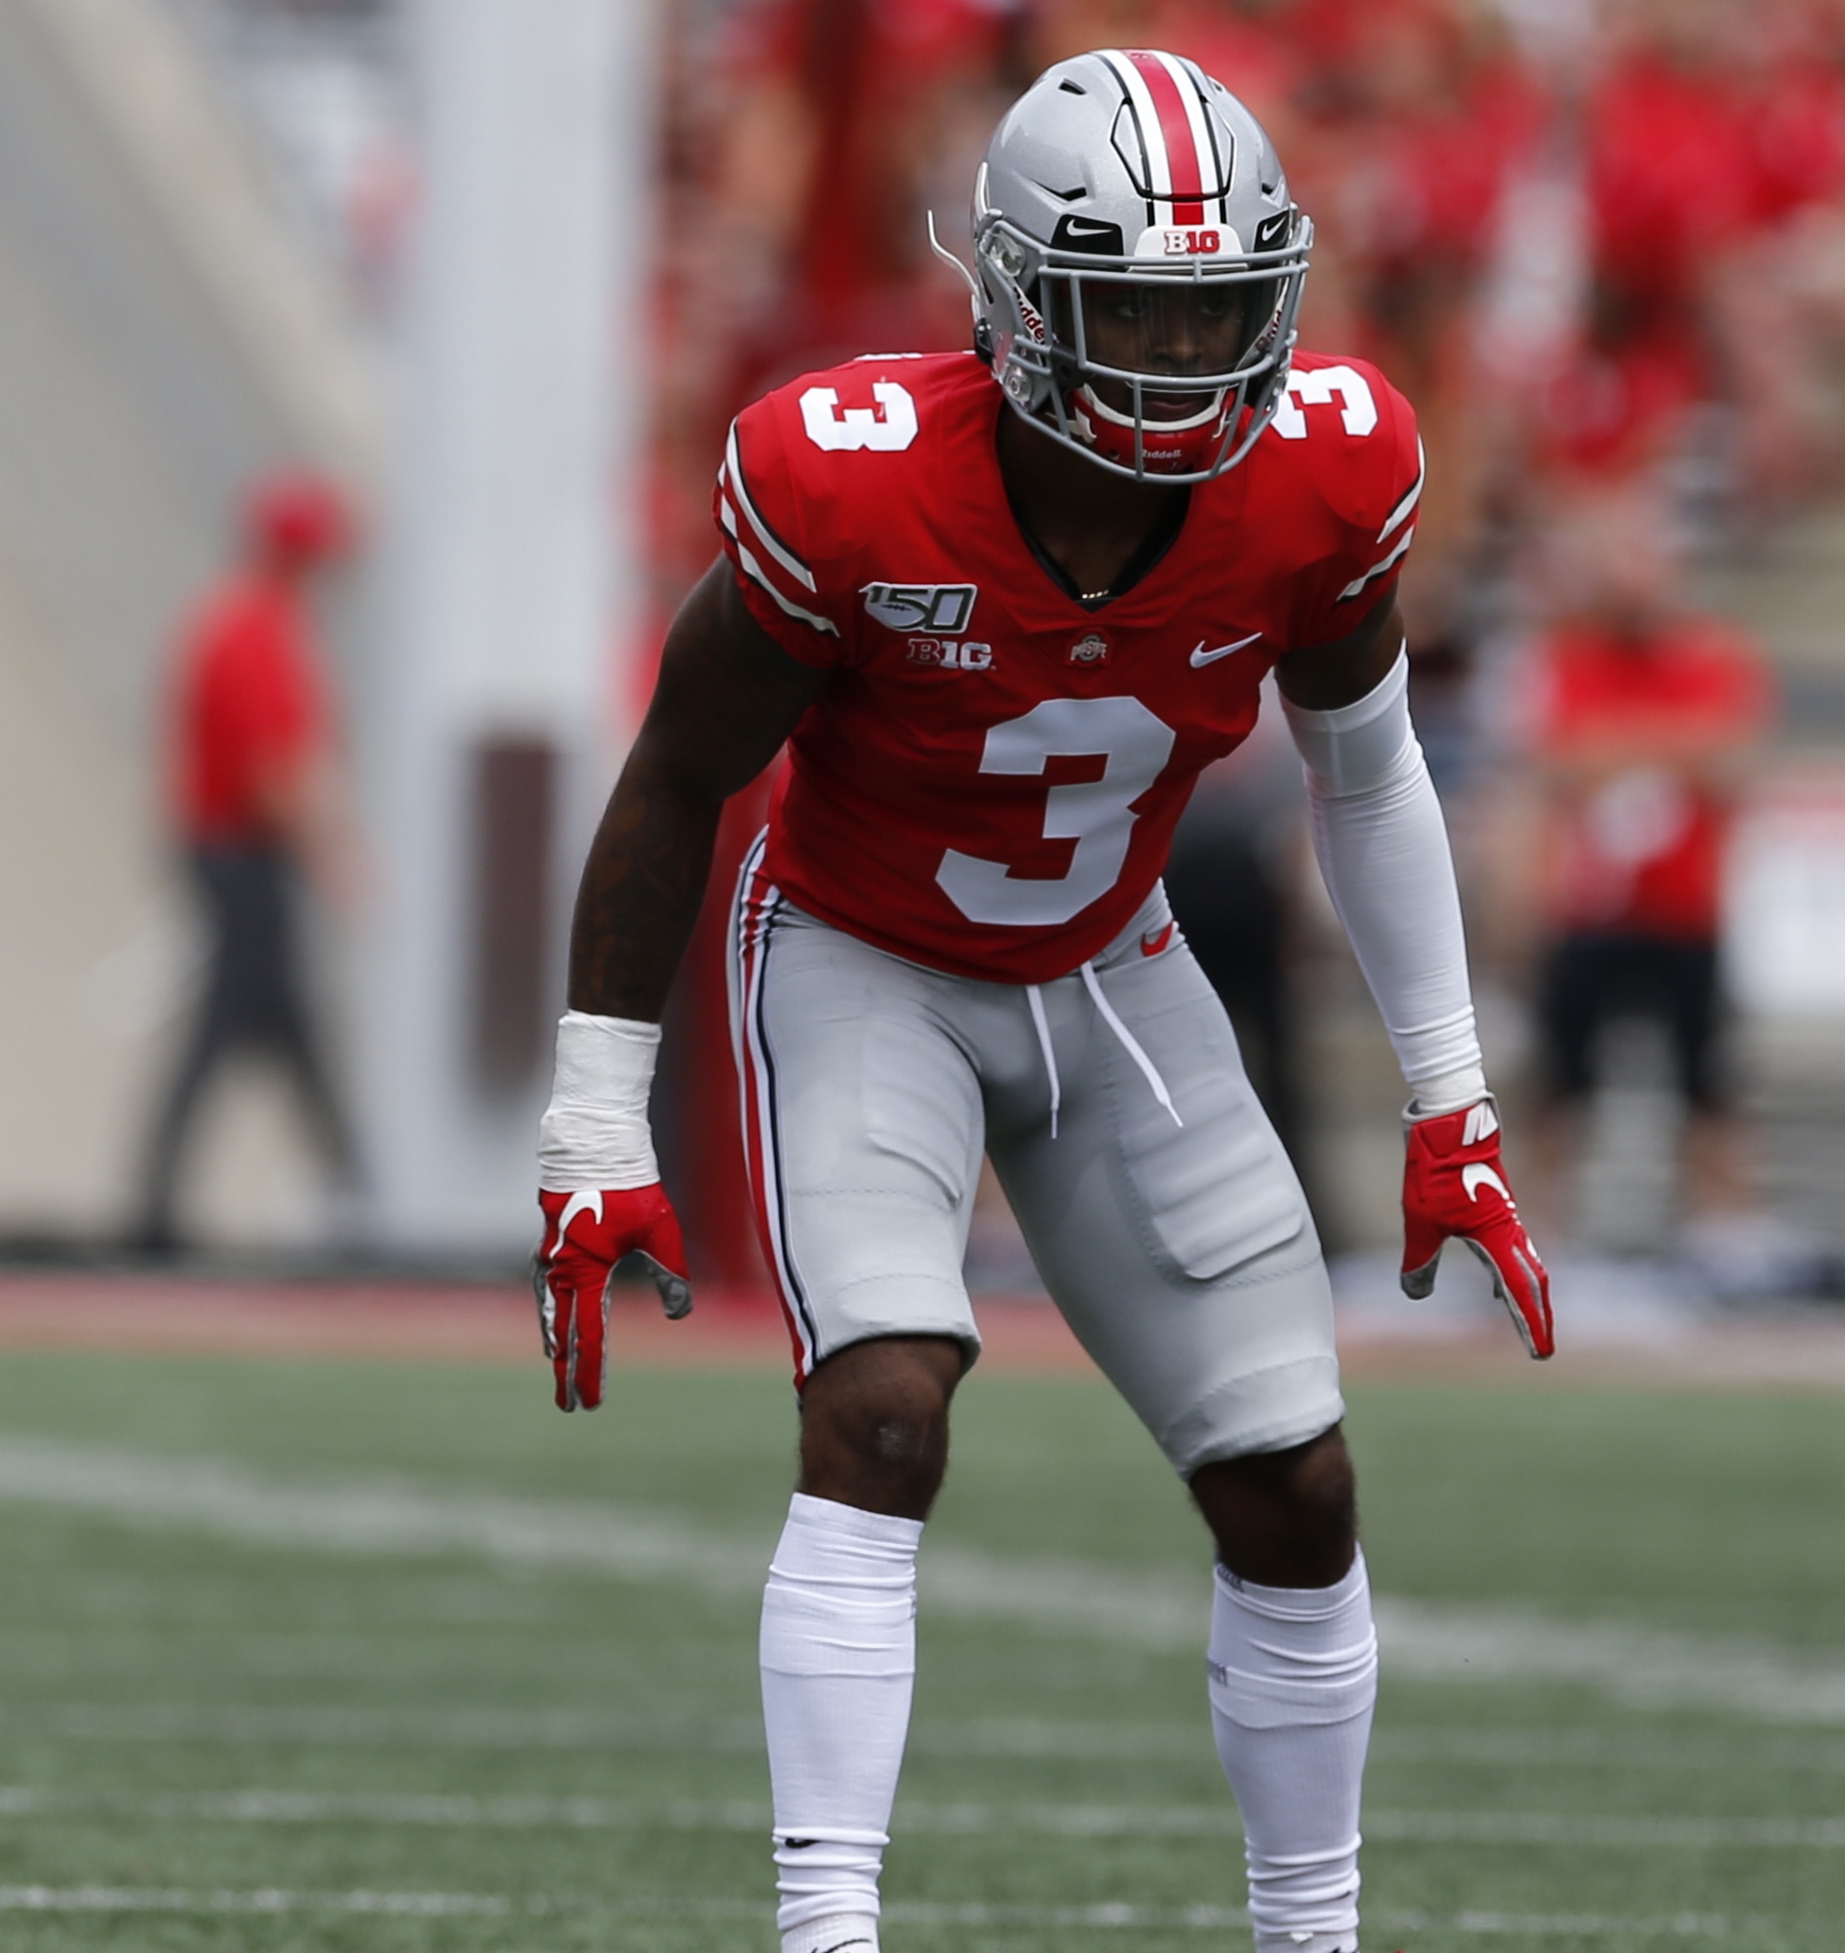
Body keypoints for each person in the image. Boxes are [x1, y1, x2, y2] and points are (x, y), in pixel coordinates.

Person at [530, 50, 1551, 1953]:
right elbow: (676, 769)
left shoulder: (1319, 472)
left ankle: (1311, 1933)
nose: (1180, 358)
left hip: (1107, 964)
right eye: (1133, 310)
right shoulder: (852, 482)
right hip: (860, 953)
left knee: (1295, 1479)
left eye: (1214, 310)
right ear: (1011, 298)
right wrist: (595, 1119)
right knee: (883, 1408)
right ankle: (828, 1930)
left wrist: (1451, 1099)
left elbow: (1367, 772)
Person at [1500, 487, 1777, 1272]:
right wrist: (1668, 747)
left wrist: (1617, 748)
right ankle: (1538, 1232)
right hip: (1588, 914)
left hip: (1685, 912)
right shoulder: (1570, 658)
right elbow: (1555, 758)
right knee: (1561, 1086)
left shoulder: (1712, 656)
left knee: (1706, 1084)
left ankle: (1724, 1235)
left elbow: (1732, 752)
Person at [132, 468, 365, 1255]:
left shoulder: (244, 622)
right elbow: (277, 770)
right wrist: (332, 855)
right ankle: (348, 1188)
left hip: (231, 851)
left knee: (274, 1026)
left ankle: (346, 1185)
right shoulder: (258, 631)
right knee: (246, 1023)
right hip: (239, 854)